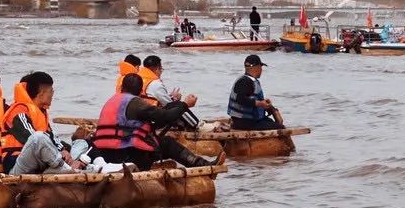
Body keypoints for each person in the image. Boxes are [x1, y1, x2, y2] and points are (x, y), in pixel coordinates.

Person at [91, 73, 221, 171]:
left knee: (158, 140)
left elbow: (155, 117)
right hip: (126, 154)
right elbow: (166, 117)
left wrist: (175, 104)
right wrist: (185, 105)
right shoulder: (136, 103)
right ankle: (203, 166)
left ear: (121, 87)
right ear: (141, 91)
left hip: (103, 154)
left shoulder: (112, 101)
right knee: (167, 143)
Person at [2, 71, 83, 176]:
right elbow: (32, 138)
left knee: (82, 143)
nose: (52, 94)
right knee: (38, 137)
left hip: (38, 163)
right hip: (16, 164)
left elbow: (52, 137)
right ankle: (65, 167)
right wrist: (60, 153)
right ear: (41, 93)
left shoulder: (40, 113)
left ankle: (97, 165)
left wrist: (63, 150)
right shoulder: (18, 111)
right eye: (51, 91)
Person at [140, 56, 199, 130]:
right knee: (179, 105)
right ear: (157, 69)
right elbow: (168, 105)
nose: (161, 72)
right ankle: (194, 125)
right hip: (153, 119)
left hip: (143, 115)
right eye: (161, 69)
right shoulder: (155, 84)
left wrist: (171, 98)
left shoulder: (139, 78)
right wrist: (181, 102)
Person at [227, 55, 283, 130]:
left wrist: (267, 106)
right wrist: (260, 103)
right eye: (261, 67)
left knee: (272, 122)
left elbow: (251, 99)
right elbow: (240, 99)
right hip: (245, 122)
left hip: (249, 120)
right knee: (280, 127)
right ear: (257, 67)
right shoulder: (244, 81)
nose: (261, 70)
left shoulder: (249, 81)